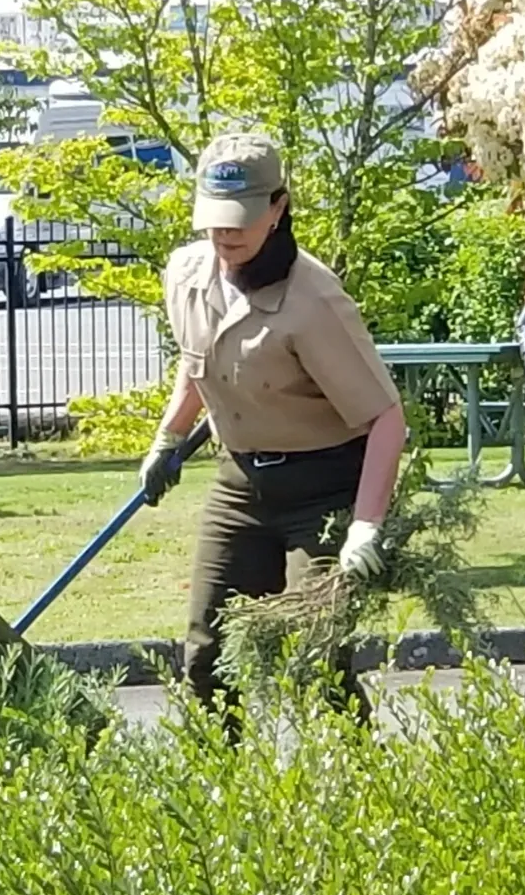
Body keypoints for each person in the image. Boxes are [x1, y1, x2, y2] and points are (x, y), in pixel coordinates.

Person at [140, 131, 407, 721]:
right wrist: (169, 437)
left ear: (278, 208)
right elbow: (198, 362)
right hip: (239, 486)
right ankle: (219, 796)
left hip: (325, 489)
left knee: (314, 659)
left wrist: (365, 526)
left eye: (240, 219)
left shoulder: (313, 301)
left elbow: (387, 417)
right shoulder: (185, 275)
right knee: (207, 654)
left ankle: (360, 788)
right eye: (214, 218)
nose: (224, 234)